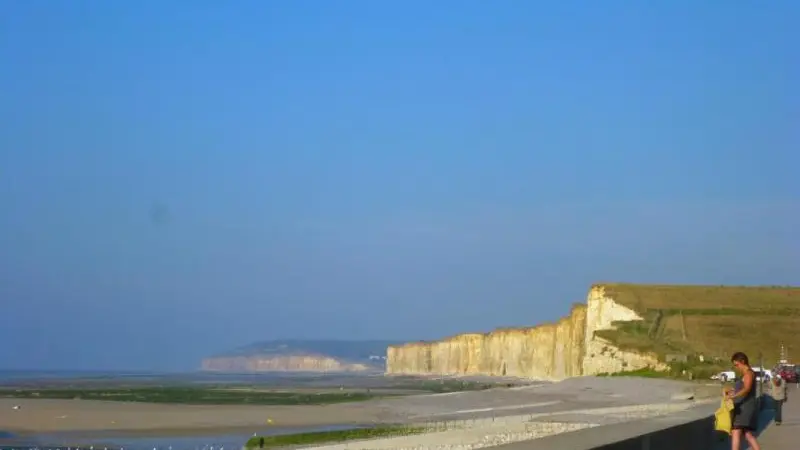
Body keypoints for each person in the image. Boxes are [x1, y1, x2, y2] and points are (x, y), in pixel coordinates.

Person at [725, 352, 761, 450]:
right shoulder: (745, 374)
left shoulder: (749, 373)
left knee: (736, 432)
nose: (736, 367)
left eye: (737, 365)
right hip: (744, 406)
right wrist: (732, 391)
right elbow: (742, 389)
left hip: (744, 408)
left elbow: (746, 389)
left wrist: (733, 396)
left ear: (743, 361)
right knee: (747, 434)